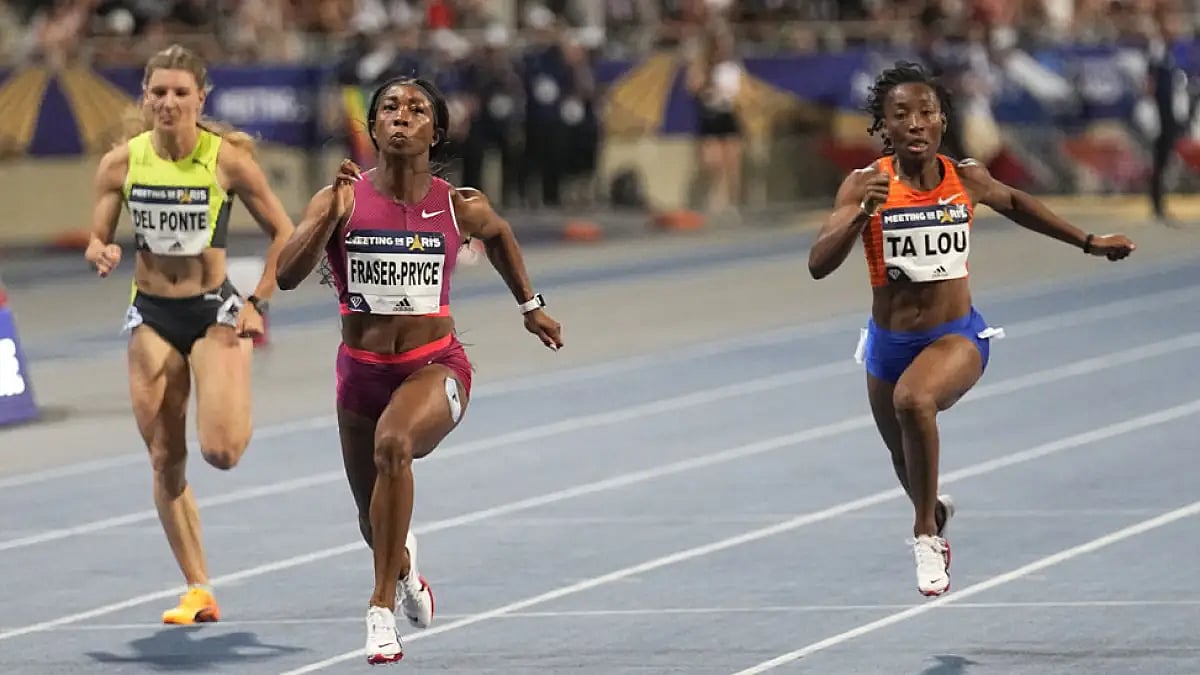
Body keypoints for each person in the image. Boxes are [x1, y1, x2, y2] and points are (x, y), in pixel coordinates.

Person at [807, 61, 1135, 598]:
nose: (915, 123)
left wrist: (1088, 240)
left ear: (942, 121)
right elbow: (819, 264)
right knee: (903, 457)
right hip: (887, 344)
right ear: (883, 127)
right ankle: (931, 509)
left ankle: (924, 535)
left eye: (926, 112)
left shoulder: (968, 177)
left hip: (956, 337)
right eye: (901, 115)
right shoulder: (866, 184)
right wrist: (861, 217)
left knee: (914, 403)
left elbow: (1019, 204)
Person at [274, 76, 563, 664]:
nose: (401, 116)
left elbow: (502, 237)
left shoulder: (460, 205)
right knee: (371, 518)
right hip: (359, 376)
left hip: (436, 366)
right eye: (389, 108)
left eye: (416, 109)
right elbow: (284, 274)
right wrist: (325, 217)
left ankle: (379, 611)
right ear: (375, 128)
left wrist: (530, 307)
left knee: (395, 442)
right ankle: (404, 571)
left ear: (437, 131)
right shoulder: (342, 199)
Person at [83, 44, 296, 623]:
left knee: (222, 452)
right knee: (164, 458)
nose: (169, 103)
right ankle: (199, 587)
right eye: (159, 92)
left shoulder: (225, 160)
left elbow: (286, 233)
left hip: (213, 313)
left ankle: (234, 367)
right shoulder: (121, 163)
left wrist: (259, 302)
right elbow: (97, 235)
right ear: (145, 98)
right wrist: (100, 249)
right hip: (151, 313)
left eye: (181, 93)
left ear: (202, 98)